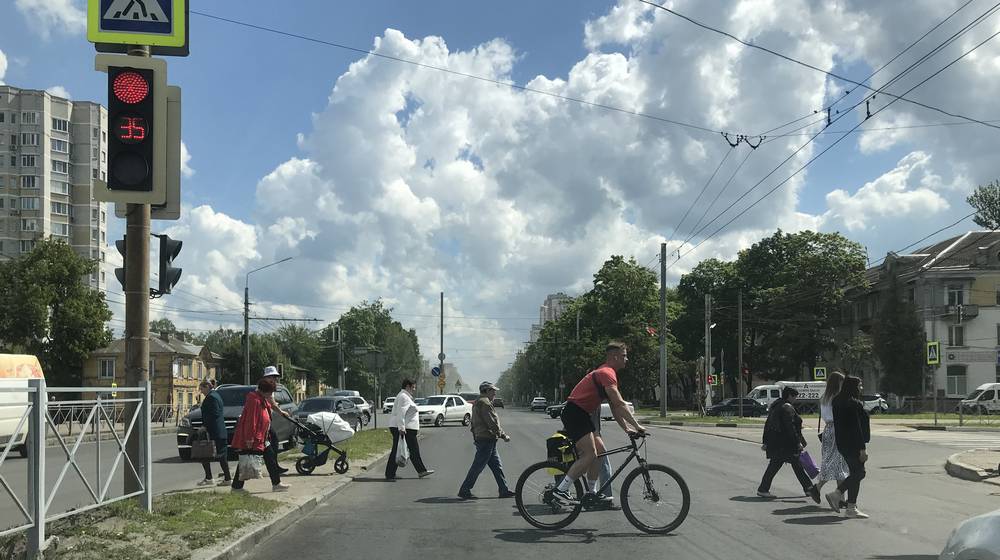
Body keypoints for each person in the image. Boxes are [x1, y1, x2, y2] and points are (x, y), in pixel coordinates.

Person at [552, 342, 645, 506]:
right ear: (614, 356)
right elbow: (620, 403)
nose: (627, 359)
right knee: (590, 454)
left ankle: (591, 493)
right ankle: (561, 490)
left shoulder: (607, 373)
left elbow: (615, 407)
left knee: (600, 452)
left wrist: (627, 429)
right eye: (624, 355)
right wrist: (638, 426)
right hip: (575, 413)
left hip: (582, 414)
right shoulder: (606, 373)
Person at [757, 386, 821, 503]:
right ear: (789, 396)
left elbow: (768, 425)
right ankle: (809, 488)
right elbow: (790, 427)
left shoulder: (776, 406)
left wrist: (765, 441)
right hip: (786, 444)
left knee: (779, 465)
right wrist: (797, 443)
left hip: (777, 443)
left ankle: (763, 488)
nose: (795, 399)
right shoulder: (787, 407)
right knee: (796, 465)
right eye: (794, 396)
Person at [230, 376, 290, 492]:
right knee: (245, 460)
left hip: (262, 437)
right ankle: (236, 487)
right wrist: (249, 438)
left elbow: (269, 410)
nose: (271, 395)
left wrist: (280, 412)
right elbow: (250, 421)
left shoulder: (261, 399)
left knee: (270, 459)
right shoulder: (254, 400)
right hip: (254, 438)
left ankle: (276, 484)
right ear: (264, 391)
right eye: (270, 392)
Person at [458, 382, 514, 499]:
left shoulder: (477, 402)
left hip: (484, 438)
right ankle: (464, 490)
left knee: (497, 466)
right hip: (486, 439)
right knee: (478, 466)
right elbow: (492, 423)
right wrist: (503, 435)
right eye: (493, 391)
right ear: (487, 391)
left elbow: (473, 423)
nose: (495, 393)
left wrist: (475, 436)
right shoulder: (485, 403)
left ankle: (503, 490)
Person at [825, 375, 871, 518]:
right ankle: (837, 495)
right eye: (859, 385)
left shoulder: (837, 401)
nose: (861, 388)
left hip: (842, 444)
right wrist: (862, 448)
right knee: (859, 473)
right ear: (852, 387)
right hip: (854, 445)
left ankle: (851, 507)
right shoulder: (853, 404)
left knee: (854, 474)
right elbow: (855, 428)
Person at [386, 378, 434, 480]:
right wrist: (401, 428)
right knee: (400, 450)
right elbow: (401, 413)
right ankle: (390, 474)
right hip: (404, 429)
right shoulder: (404, 397)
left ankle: (421, 471)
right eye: (413, 387)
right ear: (407, 386)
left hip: (406, 428)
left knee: (411, 450)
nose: (414, 389)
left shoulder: (405, 396)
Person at [816, 372, 850, 495]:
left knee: (837, 462)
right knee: (836, 461)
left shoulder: (824, 396)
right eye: (842, 382)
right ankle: (817, 488)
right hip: (837, 429)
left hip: (828, 429)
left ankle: (840, 497)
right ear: (838, 383)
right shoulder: (837, 397)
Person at [196, 380, 231, 487]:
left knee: (220, 455)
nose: (201, 392)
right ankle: (209, 477)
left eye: (202, 389)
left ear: (207, 387)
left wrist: (205, 426)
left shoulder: (212, 397)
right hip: (217, 431)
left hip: (215, 431)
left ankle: (227, 478)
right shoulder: (215, 395)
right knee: (205, 454)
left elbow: (214, 414)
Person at [261, 366, 291, 475]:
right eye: (273, 376)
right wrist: (281, 412)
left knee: (272, 444)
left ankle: (274, 468)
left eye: (275, 377)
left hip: (267, 420)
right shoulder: (265, 387)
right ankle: (274, 469)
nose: (275, 379)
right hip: (263, 421)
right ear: (267, 377)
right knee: (270, 444)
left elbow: (271, 402)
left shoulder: (269, 386)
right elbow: (271, 403)